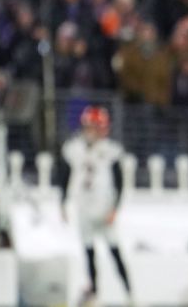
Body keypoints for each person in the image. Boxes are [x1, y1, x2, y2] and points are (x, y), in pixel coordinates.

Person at [58, 106, 132, 306]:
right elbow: (65, 177)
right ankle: (94, 292)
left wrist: (114, 209)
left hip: (104, 208)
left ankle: (129, 293)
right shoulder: (74, 149)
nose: (91, 131)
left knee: (114, 252)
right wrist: (62, 203)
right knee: (89, 253)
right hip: (84, 207)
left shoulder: (111, 151)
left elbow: (119, 183)